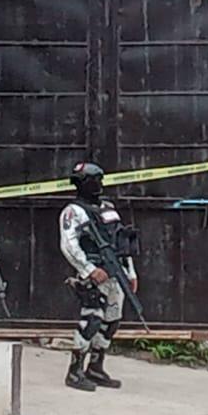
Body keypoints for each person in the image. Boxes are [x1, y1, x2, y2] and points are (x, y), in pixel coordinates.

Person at [58, 161, 137, 392]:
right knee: (91, 319)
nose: (99, 185)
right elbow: (69, 244)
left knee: (112, 320)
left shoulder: (108, 208)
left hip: (115, 273)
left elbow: (122, 243)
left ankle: (96, 366)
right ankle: (75, 371)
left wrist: (130, 271)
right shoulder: (73, 211)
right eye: (94, 180)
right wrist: (89, 270)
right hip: (94, 274)